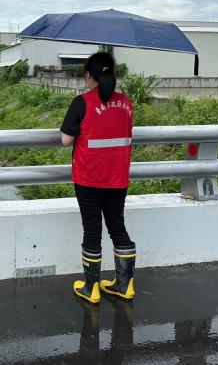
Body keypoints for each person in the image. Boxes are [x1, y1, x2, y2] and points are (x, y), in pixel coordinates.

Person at [60, 52, 136, 304]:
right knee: (117, 227)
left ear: (88, 76)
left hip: (89, 178)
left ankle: (90, 287)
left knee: (92, 231)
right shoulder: (126, 103)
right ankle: (124, 285)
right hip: (118, 178)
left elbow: (65, 140)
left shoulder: (82, 102)